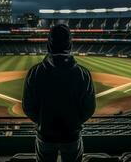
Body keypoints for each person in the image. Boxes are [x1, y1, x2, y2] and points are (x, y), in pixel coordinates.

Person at [22, 24, 96, 162]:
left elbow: (28, 107)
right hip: (72, 136)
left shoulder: (35, 72)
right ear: (70, 44)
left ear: (49, 44)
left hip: (45, 135)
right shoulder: (83, 74)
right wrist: (73, 122)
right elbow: (89, 109)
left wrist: (44, 121)